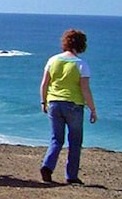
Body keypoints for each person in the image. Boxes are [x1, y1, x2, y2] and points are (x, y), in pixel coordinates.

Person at [39, 29, 98, 185]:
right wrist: (92, 108)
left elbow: (45, 83)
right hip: (74, 105)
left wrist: (43, 101)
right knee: (75, 141)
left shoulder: (52, 60)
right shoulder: (81, 64)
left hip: (54, 103)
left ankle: (47, 166)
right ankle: (71, 175)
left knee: (56, 139)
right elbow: (85, 89)